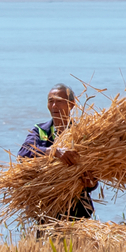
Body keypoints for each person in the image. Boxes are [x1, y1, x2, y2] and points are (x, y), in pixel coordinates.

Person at [18, 83, 97, 220]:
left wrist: (91, 183)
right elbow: (24, 153)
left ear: (72, 104)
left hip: (77, 208)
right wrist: (54, 152)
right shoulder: (40, 130)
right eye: (51, 101)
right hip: (45, 206)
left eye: (59, 102)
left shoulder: (84, 134)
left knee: (77, 241)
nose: (54, 106)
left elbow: (94, 172)